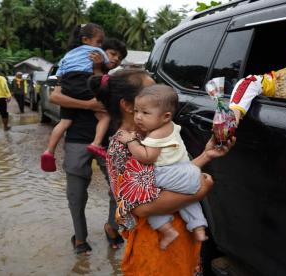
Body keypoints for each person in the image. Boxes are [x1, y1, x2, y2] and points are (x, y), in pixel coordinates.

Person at [89, 69, 235, 275]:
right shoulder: (123, 147)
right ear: (129, 106)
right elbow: (140, 208)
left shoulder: (157, 134)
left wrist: (206, 156)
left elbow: (175, 173)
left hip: (178, 239)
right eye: (151, 90)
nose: (160, 94)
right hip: (155, 246)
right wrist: (199, 192)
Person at [48, 38, 127, 254]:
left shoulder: (113, 81)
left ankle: (112, 226)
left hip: (109, 141)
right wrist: (89, 104)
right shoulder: (70, 70)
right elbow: (55, 96)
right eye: (112, 53)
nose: (116, 59)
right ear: (97, 50)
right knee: (77, 194)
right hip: (77, 139)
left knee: (118, 187)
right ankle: (80, 238)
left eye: (119, 58)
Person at [116, 84, 208, 250]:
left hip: (165, 173)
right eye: (136, 111)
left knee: (145, 196)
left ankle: (167, 230)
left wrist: (131, 142)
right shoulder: (171, 126)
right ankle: (199, 226)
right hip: (186, 171)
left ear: (166, 116)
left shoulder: (156, 134)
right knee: (188, 200)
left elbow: (147, 157)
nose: (138, 117)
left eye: (145, 113)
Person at [40, 23, 111, 172]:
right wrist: (102, 64)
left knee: (64, 122)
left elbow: (60, 73)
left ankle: (49, 151)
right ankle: (96, 144)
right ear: (85, 39)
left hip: (68, 84)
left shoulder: (68, 55)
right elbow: (107, 64)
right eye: (99, 41)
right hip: (84, 82)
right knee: (104, 116)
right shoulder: (96, 52)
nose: (100, 45)